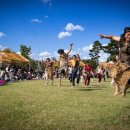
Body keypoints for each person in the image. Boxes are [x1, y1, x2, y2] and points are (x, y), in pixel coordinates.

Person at [99, 27, 130, 96]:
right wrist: (104, 36)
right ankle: (117, 89)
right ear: (125, 34)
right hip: (121, 63)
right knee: (114, 75)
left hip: (129, 64)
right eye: (128, 34)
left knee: (129, 80)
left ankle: (124, 90)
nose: (129, 36)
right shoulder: (121, 40)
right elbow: (112, 37)